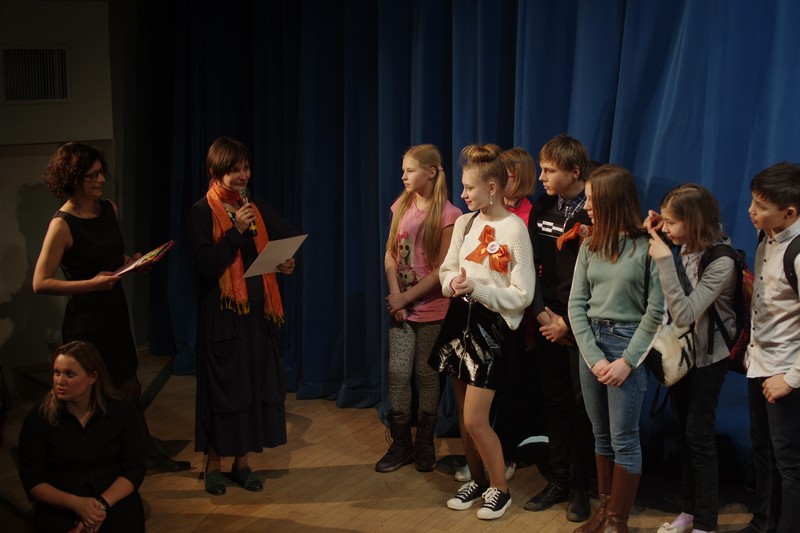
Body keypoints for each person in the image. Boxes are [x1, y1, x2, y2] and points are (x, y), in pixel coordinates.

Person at [32, 142, 189, 473]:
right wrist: (90, 283)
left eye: (102, 172)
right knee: (93, 393)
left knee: (129, 386)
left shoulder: (109, 209)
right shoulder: (62, 224)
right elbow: (40, 282)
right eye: (93, 175)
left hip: (114, 311)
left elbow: (109, 258)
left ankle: (136, 451)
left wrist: (131, 263)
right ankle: (117, 456)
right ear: (73, 178)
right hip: (86, 320)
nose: (101, 180)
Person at [187, 136, 299, 496]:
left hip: (257, 316)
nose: (242, 175)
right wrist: (234, 232)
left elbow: (286, 236)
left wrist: (285, 261)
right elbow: (206, 265)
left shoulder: (255, 206)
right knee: (224, 393)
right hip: (222, 317)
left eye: (246, 168)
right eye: (234, 169)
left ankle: (243, 464)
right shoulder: (202, 212)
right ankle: (213, 466)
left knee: (252, 389)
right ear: (214, 171)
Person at [429, 144, 535, 520]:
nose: (462, 194)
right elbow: (447, 269)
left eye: (468, 188)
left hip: (491, 329)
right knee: (464, 415)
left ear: (492, 188)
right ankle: (477, 480)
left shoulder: (515, 229)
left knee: (476, 418)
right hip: (460, 321)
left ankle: (500, 489)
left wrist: (479, 289)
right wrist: (453, 284)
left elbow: (523, 294)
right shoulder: (465, 223)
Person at [567, 164, 664, 533]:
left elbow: (657, 312)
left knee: (624, 438)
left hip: (627, 344)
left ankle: (617, 522)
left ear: (612, 200)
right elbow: (577, 305)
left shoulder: (647, 247)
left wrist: (627, 362)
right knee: (601, 435)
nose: (586, 206)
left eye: (592, 199)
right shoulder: (590, 244)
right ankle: (605, 512)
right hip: (592, 344)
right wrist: (593, 358)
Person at [645, 184, 736, 533]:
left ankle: (707, 522)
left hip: (708, 359)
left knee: (699, 437)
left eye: (672, 222)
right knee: (684, 435)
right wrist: (661, 230)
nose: (666, 229)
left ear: (694, 221)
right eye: (664, 221)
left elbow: (685, 313)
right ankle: (690, 511)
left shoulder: (721, 260)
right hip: (682, 355)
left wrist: (665, 260)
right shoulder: (683, 245)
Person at [523, 134, 595, 523]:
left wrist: (570, 321)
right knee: (554, 402)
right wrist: (541, 315)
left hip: (581, 324)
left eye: (550, 170)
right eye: (542, 169)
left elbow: (602, 277)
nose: (542, 177)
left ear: (575, 171)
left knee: (582, 407)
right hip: (547, 319)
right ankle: (560, 479)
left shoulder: (596, 211)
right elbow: (529, 265)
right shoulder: (542, 207)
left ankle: (581, 486)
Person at [376, 144, 461, 473]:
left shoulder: (449, 215)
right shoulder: (401, 204)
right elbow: (391, 253)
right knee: (397, 373)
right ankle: (401, 443)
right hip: (402, 308)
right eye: (403, 170)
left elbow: (442, 269)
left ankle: (425, 442)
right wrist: (396, 295)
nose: (403, 176)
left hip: (433, 310)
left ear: (430, 172)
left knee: (427, 375)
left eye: (410, 170)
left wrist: (407, 298)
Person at [18, 340, 145, 533]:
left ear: (92, 377)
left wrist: (99, 507)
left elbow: (134, 469)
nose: (60, 381)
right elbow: (32, 481)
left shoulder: (119, 410)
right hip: (62, 502)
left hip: (111, 497)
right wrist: (77, 504)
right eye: (56, 372)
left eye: (70, 374)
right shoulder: (40, 417)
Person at [734, 162, 800, 533]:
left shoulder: (798, 252)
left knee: (790, 463)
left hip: (787, 371)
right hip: (760, 362)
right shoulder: (767, 237)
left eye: (761, 206)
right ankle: (764, 523)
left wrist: (790, 379)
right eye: (752, 201)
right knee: (764, 450)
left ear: (789, 212)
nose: (751, 211)